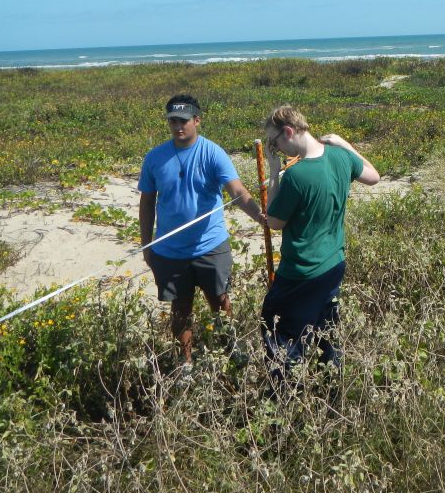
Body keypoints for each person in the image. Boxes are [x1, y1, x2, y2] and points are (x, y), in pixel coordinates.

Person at [254, 105, 380, 395]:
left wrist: (274, 172)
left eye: (274, 142)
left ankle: (285, 400)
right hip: (334, 262)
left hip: (300, 271)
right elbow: (374, 177)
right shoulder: (339, 156)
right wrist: (346, 145)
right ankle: (332, 393)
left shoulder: (296, 176)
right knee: (327, 332)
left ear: (288, 132)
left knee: (279, 334)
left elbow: (273, 221)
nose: (274, 148)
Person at [138, 94, 264, 366]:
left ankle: (232, 352)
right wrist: (146, 245)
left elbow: (237, 191)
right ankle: (185, 364)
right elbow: (147, 201)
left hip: (210, 245)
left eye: (183, 120)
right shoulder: (154, 158)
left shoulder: (213, 153)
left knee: (220, 301)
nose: (177, 126)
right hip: (170, 250)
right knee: (180, 309)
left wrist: (260, 216)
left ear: (197, 120)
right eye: (172, 120)